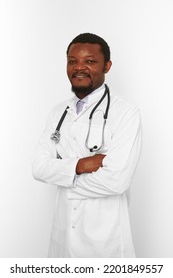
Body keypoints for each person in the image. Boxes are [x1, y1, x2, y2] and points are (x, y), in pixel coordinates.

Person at [32, 33, 142, 258]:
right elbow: (38, 167)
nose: (79, 67)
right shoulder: (58, 112)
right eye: (73, 61)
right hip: (61, 239)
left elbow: (116, 181)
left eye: (90, 61)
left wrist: (63, 177)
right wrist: (82, 165)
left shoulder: (126, 113)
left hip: (105, 243)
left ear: (107, 66)